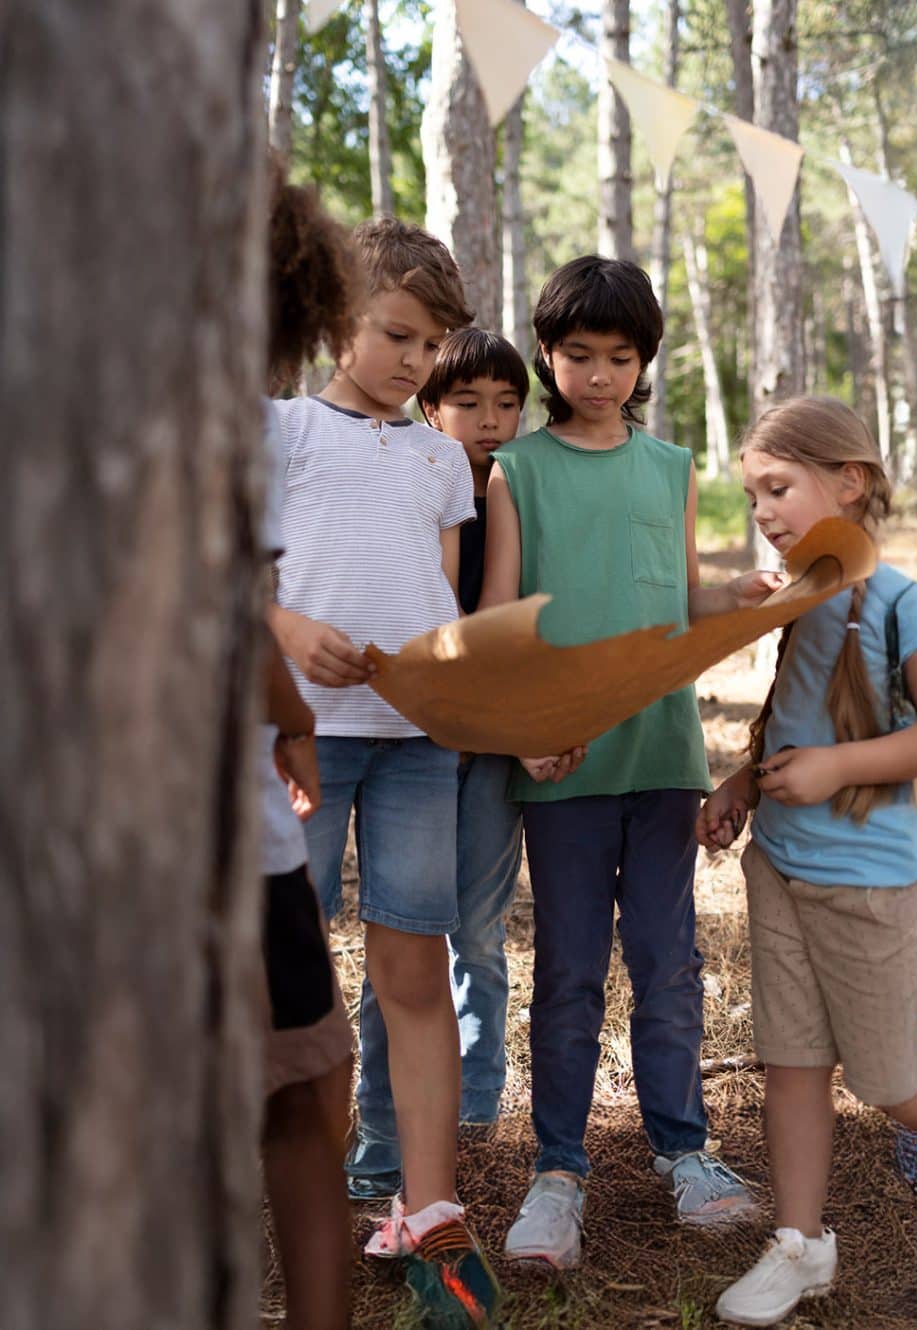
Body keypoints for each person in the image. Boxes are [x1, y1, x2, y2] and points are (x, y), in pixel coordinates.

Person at [696, 396, 917, 1327]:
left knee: (889, 1081)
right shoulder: (800, 598)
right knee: (790, 1062)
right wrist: (745, 780)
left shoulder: (905, 605)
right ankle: (800, 1243)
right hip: (780, 866)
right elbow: (801, 718)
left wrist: (837, 769)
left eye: (779, 487)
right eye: (753, 496)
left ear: (849, 482)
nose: (764, 512)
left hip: (868, 882)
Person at [480, 255, 778, 1270]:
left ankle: (685, 1148)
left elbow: (676, 596)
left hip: (662, 754)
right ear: (548, 355)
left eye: (619, 357)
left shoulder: (673, 467)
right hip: (564, 762)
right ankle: (557, 1170)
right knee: (566, 970)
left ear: (644, 360)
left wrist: (737, 594)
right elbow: (501, 623)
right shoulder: (515, 470)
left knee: (667, 960)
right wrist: (524, 726)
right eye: (576, 356)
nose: (598, 376)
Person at [266, 216, 499, 1327]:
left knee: (415, 973)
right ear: (335, 323)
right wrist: (288, 625)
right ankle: (271, 1195)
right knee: (280, 978)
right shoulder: (281, 433)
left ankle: (430, 1205)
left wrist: (454, 681)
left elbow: (442, 604)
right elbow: (226, 578)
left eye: (429, 346)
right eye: (396, 336)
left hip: (416, 748)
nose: (414, 363)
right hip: (299, 737)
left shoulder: (440, 456)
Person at [342, 327, 533, 1202]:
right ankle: (383, 1128)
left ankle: (478, 1105)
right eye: (469, 404)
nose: (490, 422)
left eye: (506, 404)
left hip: (493, 747)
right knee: (403, 941)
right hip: (408, 741)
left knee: (479, 933)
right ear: (431, 409)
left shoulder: (527, 492)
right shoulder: (403, 481)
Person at [258, 164, 358, 1330]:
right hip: (204, 836)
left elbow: (241, 604)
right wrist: (288, 713)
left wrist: (286, 714)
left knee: (306, 1079)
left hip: (242, 827)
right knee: (305, 1087)